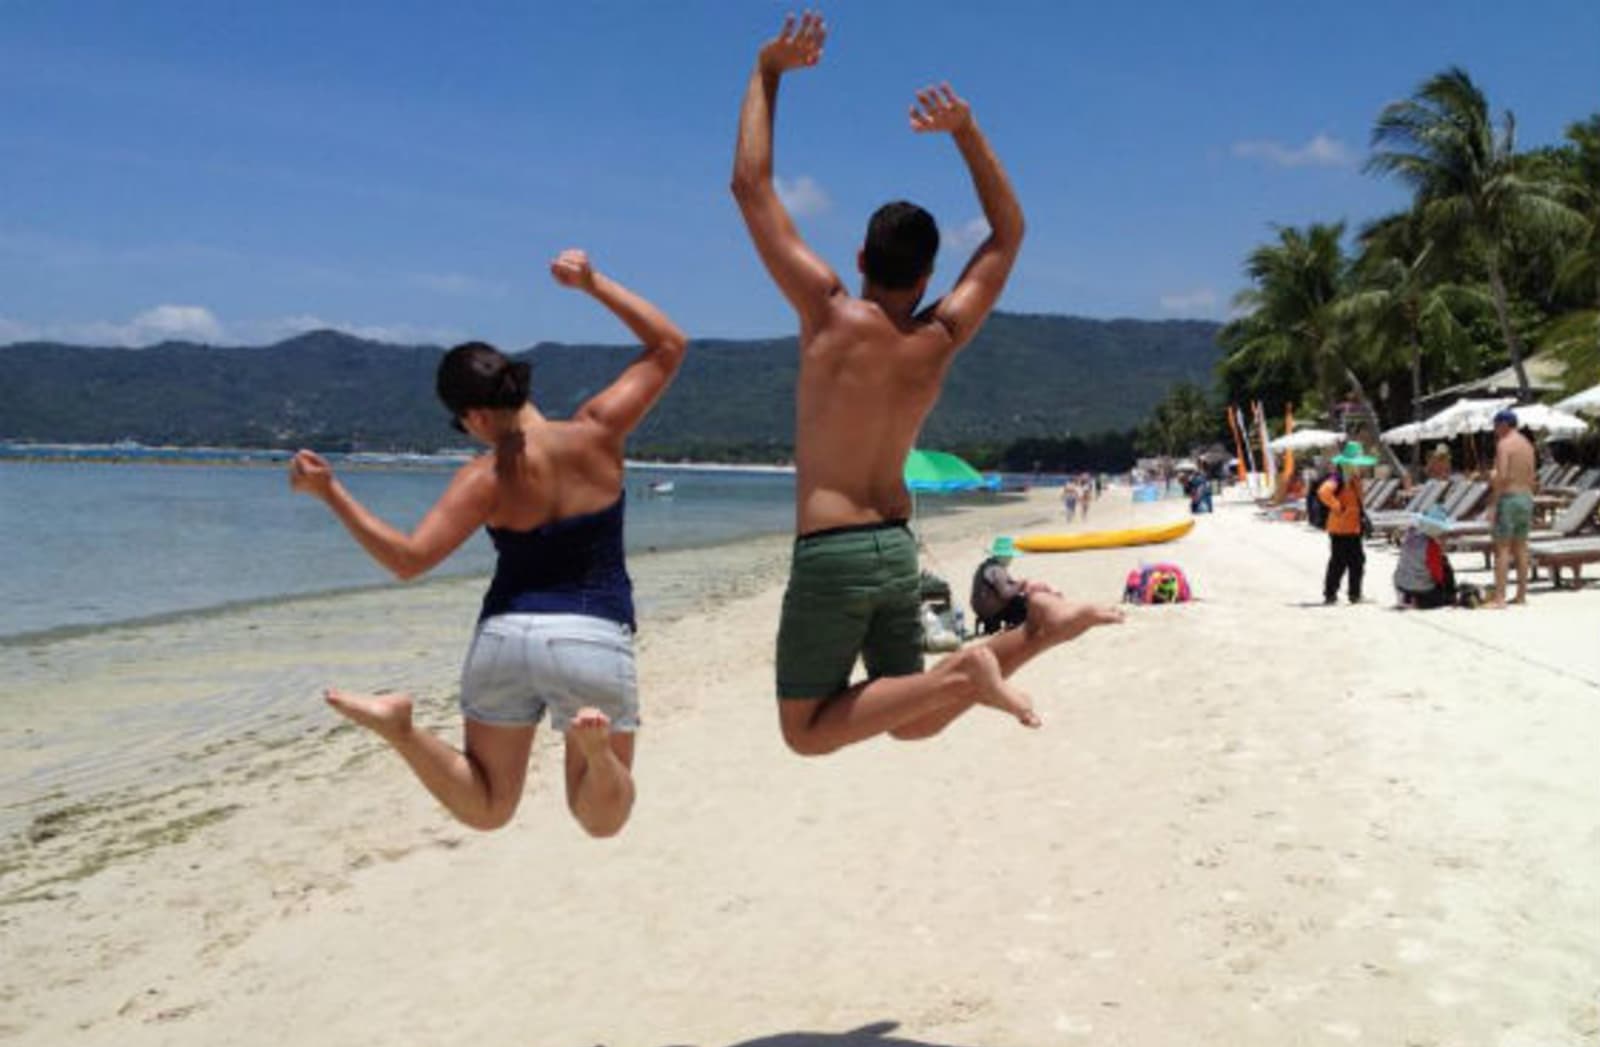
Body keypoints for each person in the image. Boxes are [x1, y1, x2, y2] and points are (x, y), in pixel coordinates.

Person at [730, 12, 1120, 756]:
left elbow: (750, 186)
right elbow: (1008, 235)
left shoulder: (827, 314)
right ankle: (1035, 632)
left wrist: (767, 70)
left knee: (804, 733)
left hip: (835, 550)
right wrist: (966, 132)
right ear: (929, 275)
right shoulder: (941, 335)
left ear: (859, 256)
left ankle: (974, 662)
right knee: (907, 716)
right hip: (892, 545)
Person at [288, 250, 686, 836]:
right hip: (591, 634)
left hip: (503, 638)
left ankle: (401, 728)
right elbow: (669, 345)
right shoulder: (598, 430)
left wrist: (331, 493)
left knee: (489, 806)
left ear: (474, 416)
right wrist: (592, 283)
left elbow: (406, 560)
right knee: (602, 819)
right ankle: (596, 755)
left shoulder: (481, 478)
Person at [1484, 408, 1537, 607]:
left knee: (1502, 549)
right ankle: (1521, 595)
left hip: (1509, 498)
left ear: (1504, 425)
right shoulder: (1527, 445)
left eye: (1496, 425)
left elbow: (1503, 477)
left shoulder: (1504, 445)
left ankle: (1499, 598)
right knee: (1521, 547)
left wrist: (1493, 503)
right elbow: (1532, 476)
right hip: (1526, 497)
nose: (1495, 429)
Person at [1318, 440, 1375, 605]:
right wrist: (1338, 507)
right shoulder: (1338, 478)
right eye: (1356, 463)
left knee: (1356, 561)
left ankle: (1354, 594)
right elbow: (1323, 492)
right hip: (1341, 528)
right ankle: (1331, 594)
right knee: (1339, 562)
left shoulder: (1352, 479)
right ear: (1348, 464)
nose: (1359, 467)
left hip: (1353, 528)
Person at [969, 536, 1059, 635]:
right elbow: (1006, 593)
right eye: (1009, 556)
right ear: (1003, 556)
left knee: (1017, 599)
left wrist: (1017, 585)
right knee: (1022, 603)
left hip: (980, 608)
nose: (1011, 558)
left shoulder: (986, 566)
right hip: (993, 610)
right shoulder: (997, 570)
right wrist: (1021, 584)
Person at [1394, 504, 1457, 609]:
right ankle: (1419, 600)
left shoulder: (1410, 536)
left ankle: (1408, 597)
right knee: (1445, 566)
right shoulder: (1432, 546)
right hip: (1422, 589)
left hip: (1401, 585)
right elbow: (1438, 575)